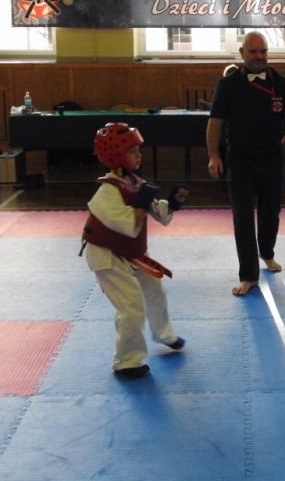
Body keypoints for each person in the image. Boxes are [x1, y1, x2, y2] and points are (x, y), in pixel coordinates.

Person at [81, 122, 190, 379]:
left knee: (156, 290)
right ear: (115, 156)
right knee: (131, 306)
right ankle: (127, 361)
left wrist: (173, 203)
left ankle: (164, 334)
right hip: (107, 256)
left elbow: (159, 214)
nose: (139, 155)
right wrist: (141, 204)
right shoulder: (107, 192)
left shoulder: (134, 182)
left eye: (138, 150)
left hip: (131, 253)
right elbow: (129, 225)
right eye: (132, 151)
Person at [207, 31, 285, 296]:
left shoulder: (281, 82)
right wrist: (214, 155)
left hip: (273, 158)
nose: (259, 56)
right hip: (239, 160)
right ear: (242, 53)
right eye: (253, 52)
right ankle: (248, 276)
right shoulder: (227, 85)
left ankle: (267, 253)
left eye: (263, 51)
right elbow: (214, 123)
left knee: (270, 213)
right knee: (242, 217)